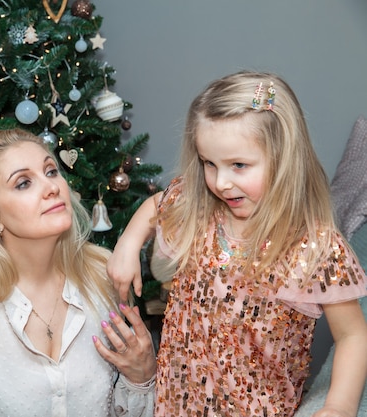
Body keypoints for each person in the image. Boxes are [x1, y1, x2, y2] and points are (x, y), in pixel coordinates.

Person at [107, 71, 367, 417]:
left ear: (285, 158)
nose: (221, 182)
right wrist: (128, 243)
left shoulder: (314, 248)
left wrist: (339, 406)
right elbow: (156, 206)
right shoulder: (197, 206)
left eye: (239, 165)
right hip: (173, 407)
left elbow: (353, 336)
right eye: (208, 164)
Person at [0, 128, 157, 416]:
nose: (52, 187)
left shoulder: (100, 277)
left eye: (51, 171)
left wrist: (141, 379)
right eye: (23, 183)